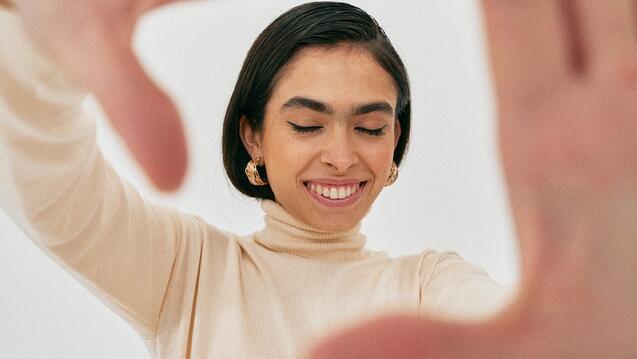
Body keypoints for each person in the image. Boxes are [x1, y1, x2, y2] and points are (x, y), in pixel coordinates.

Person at [1, 1, 636, 359]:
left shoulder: (429, 285)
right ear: (253, 135)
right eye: (307, 125)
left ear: (394, 150)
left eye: (369, 128)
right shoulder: (186, 271)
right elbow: (57, 195)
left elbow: (517, 327)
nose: (341, 156)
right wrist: (39, 61)